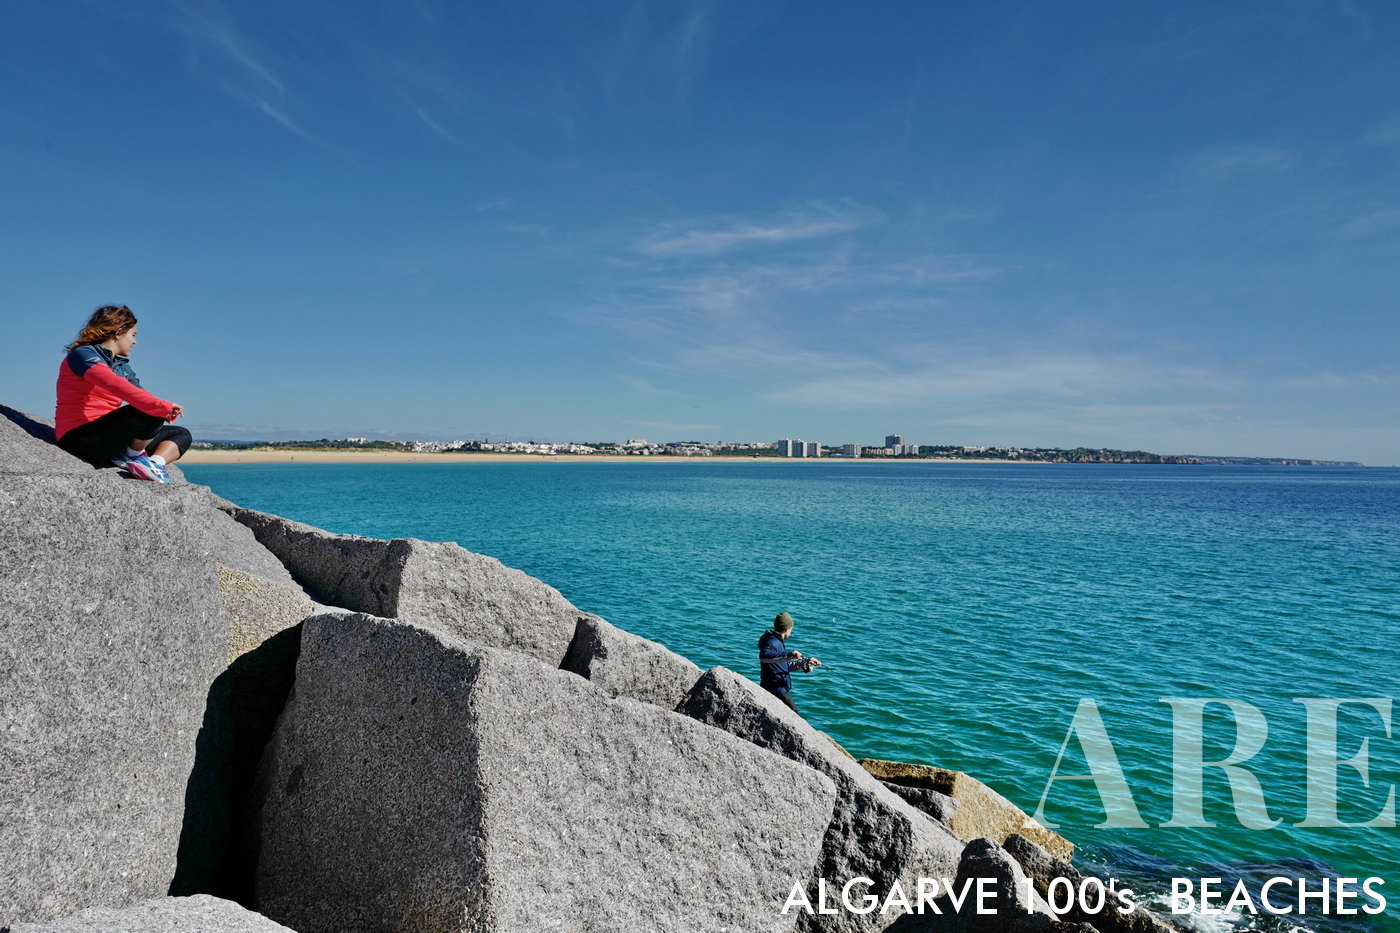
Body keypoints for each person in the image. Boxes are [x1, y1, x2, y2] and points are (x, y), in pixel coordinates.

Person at [54, 305, 189, 483]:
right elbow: (112, 384)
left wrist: (163, 409)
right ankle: (132, 456)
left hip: (111, 439)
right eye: (133, 335)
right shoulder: (82, 355)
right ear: (118, 332)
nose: (135, 342)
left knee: (180, 433)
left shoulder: (121, 366)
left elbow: (141, 394)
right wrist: (161, 406)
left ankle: (152, 464)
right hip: (80, 438)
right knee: (151, 408)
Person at [758, 611, 821, 714]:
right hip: (775, 689)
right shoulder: (773, 642)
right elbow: (764, 656)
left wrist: (805, 661)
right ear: (787, 629)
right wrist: (789, 655)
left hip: (777, 688)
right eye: (791, 629)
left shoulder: (776, 640)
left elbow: (781, 665)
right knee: (794, 712)